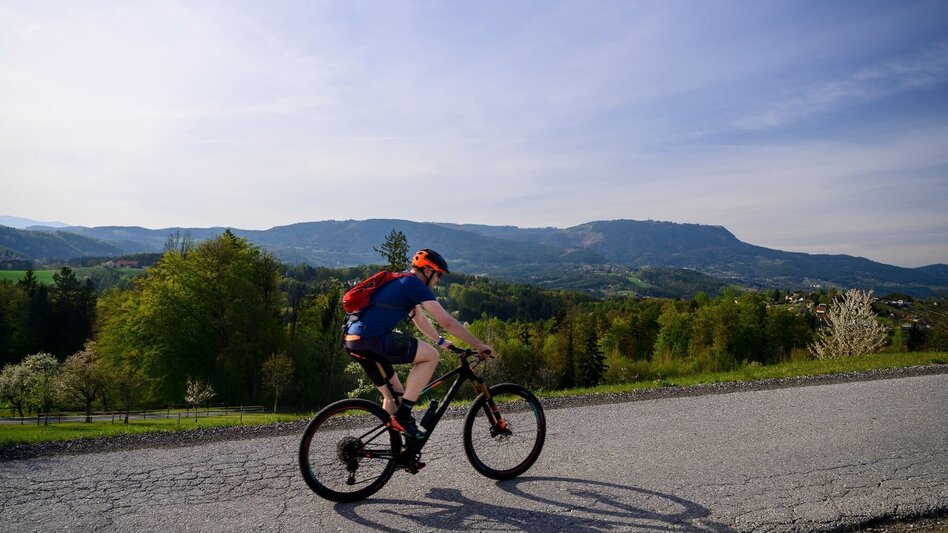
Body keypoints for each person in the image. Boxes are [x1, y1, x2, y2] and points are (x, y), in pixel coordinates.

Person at [343, 248, 492, 439]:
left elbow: (419, 318)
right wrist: (479, 345)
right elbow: (447, 322)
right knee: (430, 356)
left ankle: (392, 449)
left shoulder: (402, 281)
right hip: (372, 338)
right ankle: (404, 417)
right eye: (438, 275)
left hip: (353, 340)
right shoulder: (414, 284)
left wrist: (441, 341)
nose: (438, 281)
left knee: (395, 397)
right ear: (427, 271)